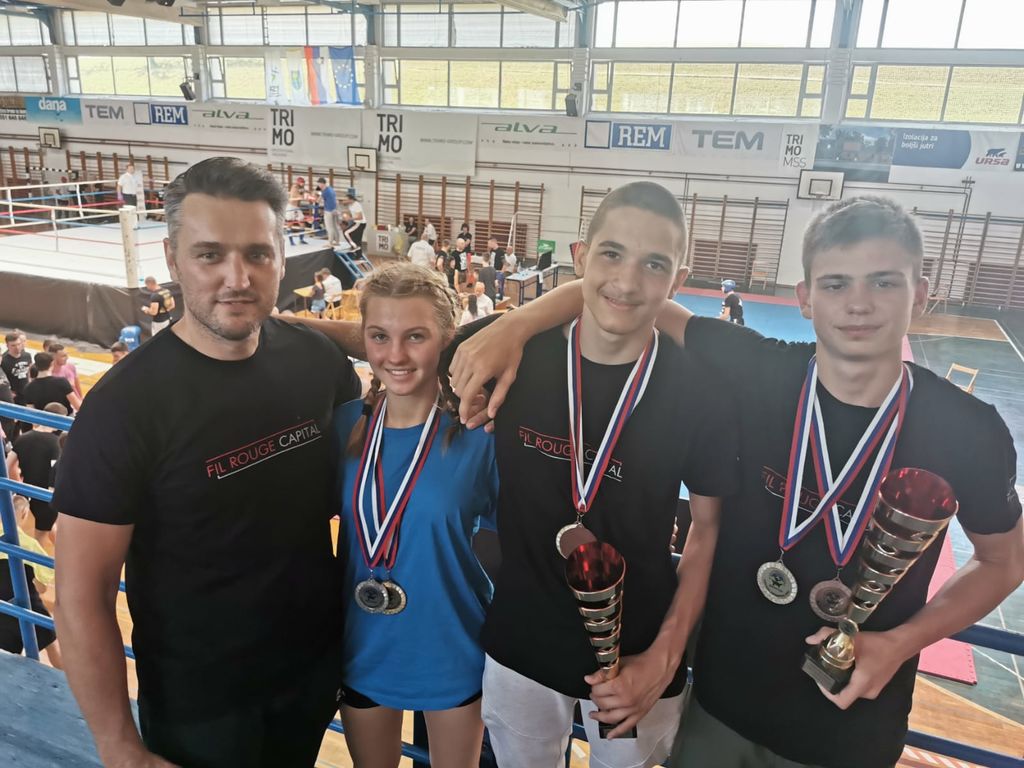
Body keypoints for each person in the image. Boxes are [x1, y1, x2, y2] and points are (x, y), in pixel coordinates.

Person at [449, 196, 1024, 768]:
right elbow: (622, 294)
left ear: (920, 293)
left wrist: (901, 642)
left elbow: (1004, 561)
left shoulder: (968, 431)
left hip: (849, 724)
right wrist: (517, 323)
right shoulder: (757, 371)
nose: (858, 304)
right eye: (835, 284)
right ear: (805, 297)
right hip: (721, 710)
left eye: (884, 282)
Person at [53, 157, 362, 768]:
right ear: (173, 260)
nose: (237, 277)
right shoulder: (123, 408)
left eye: (257, 254)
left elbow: (352, 486)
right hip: (202, 705)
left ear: (282, 257)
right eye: (210, 255)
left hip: (312, 671)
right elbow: (80, 596)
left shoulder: (318, 363)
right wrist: (119, 747)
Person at [449, 182, 739, 768]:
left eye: (653, 264)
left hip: (637, 656)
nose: (627, 282)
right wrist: (515, 324)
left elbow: (707, 530)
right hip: (522, 642)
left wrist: (664, 658)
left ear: (677, 280)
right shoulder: (509, 356)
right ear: (579, 257)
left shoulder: (702, 392)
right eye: (611, 254)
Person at [333, 262, 498, 768]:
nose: (396, 356)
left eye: (416, 336)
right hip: (361, 646)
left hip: (452, 648)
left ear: (446, 338)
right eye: (380, 336)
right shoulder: (343, 427)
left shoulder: (480, 433)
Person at [0, 495, 62, 668]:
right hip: (26, 603)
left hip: (2, 605)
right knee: (52, 645)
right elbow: (41, 588)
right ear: (25, 514)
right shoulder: (32, 545)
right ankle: (70, 682)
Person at [6, 402, 67, 547]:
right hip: (46, 496)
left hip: (28, 492)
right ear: (58, 422)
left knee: (27, 532)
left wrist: (18, 486)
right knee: (41, 537)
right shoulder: (56, 444)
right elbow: (58, 474)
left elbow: (8, 466)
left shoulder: (23, 438)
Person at [342, 191, 366, 260]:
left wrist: (350, 218)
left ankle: (354, 246)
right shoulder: (350, 205)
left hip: (360, 223)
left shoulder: (356, 205)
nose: (345, 201)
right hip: (357, 223)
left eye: (346, 200)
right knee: (357, 239)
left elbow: (360, 217)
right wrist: (345, 215)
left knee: (346, 232)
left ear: (351, 199)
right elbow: (352, 213)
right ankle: (359, 255)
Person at [317, 178, 340, 247]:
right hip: (334, 209)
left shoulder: (325, 191)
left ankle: (330, 243)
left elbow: (318, 201)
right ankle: (337, 241)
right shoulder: (331, 189)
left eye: (319, 184)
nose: (318, 185)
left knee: (329, 227)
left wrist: (314, 196)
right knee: (335, 226)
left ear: (322, 183)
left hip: (329, 211)